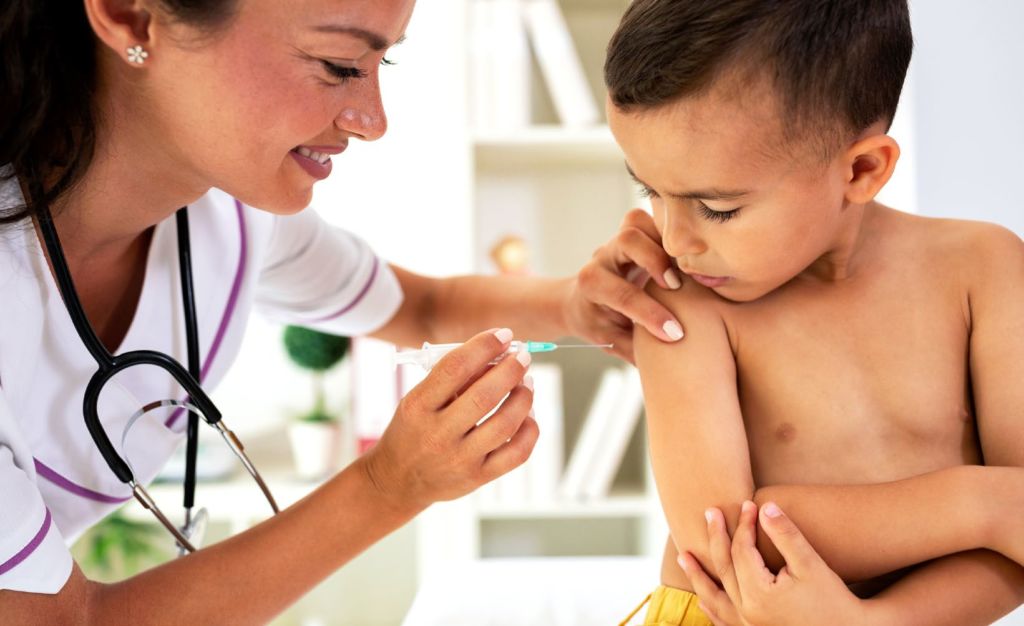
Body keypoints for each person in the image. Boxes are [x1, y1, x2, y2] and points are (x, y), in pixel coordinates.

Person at [0, 0, 685, 622]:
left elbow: (421, 307)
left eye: (381, 61)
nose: (373, 121)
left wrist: (574, 305)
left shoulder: (229, 216)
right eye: (338, 65)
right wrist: (388, 486)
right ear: (130, 15)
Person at [602, 0, 1024, 624]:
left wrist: (881, 623)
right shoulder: (680, 299)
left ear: (861, 169)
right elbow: (722, 546)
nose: (674, 239)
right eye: (649, 190)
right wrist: (979, 503)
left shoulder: (983, 266)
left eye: (716, 208)